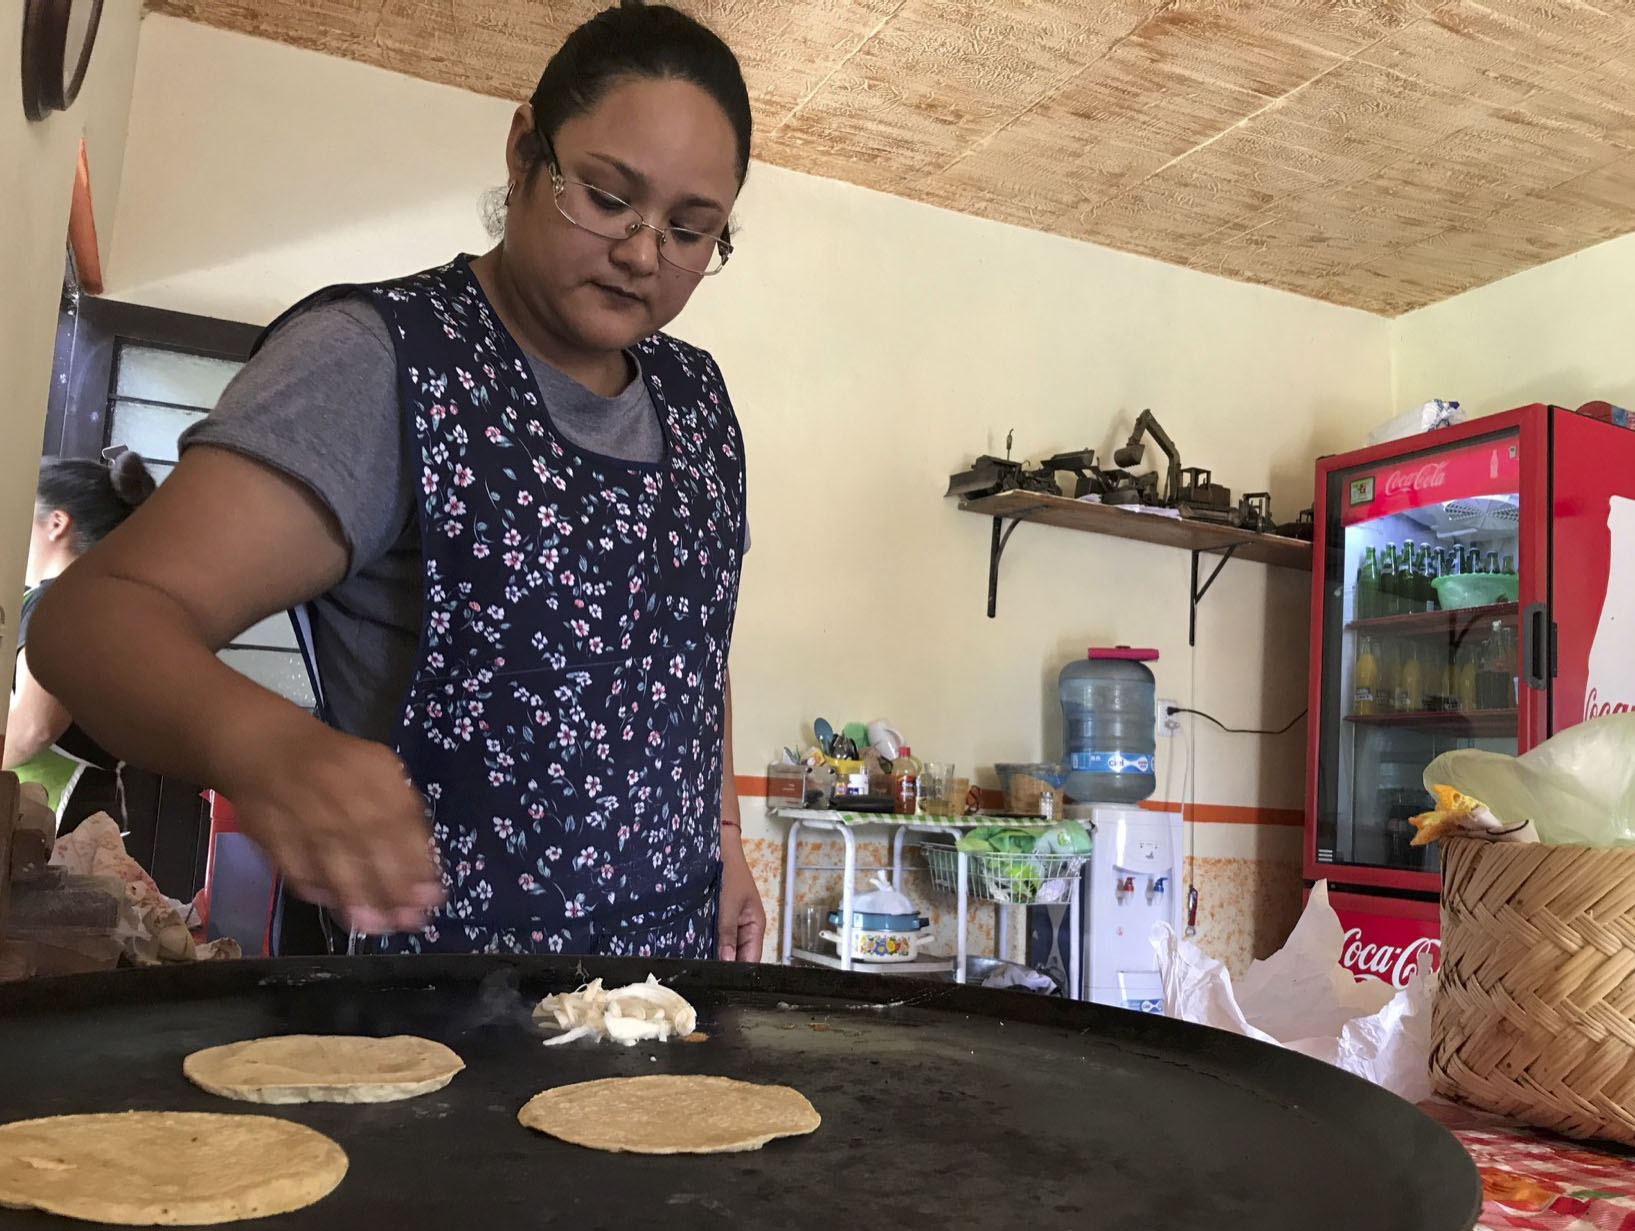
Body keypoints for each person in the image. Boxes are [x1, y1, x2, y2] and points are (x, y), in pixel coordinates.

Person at [30, 1, 764, 961]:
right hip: (445, 1005)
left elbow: (687, 650)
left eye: (689, 229)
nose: (641, 251)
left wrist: (723, 837)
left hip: (668, 977)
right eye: (606, 195)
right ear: (523, 151)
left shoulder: (698, 397)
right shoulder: (382, 363)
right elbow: (89, 622)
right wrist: (263, 745)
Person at [7, 452, 156, 824]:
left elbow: (33, 727)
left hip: (52, 821)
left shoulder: (60, 601)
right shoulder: (94, 602)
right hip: (73, 816)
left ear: (56, 522)